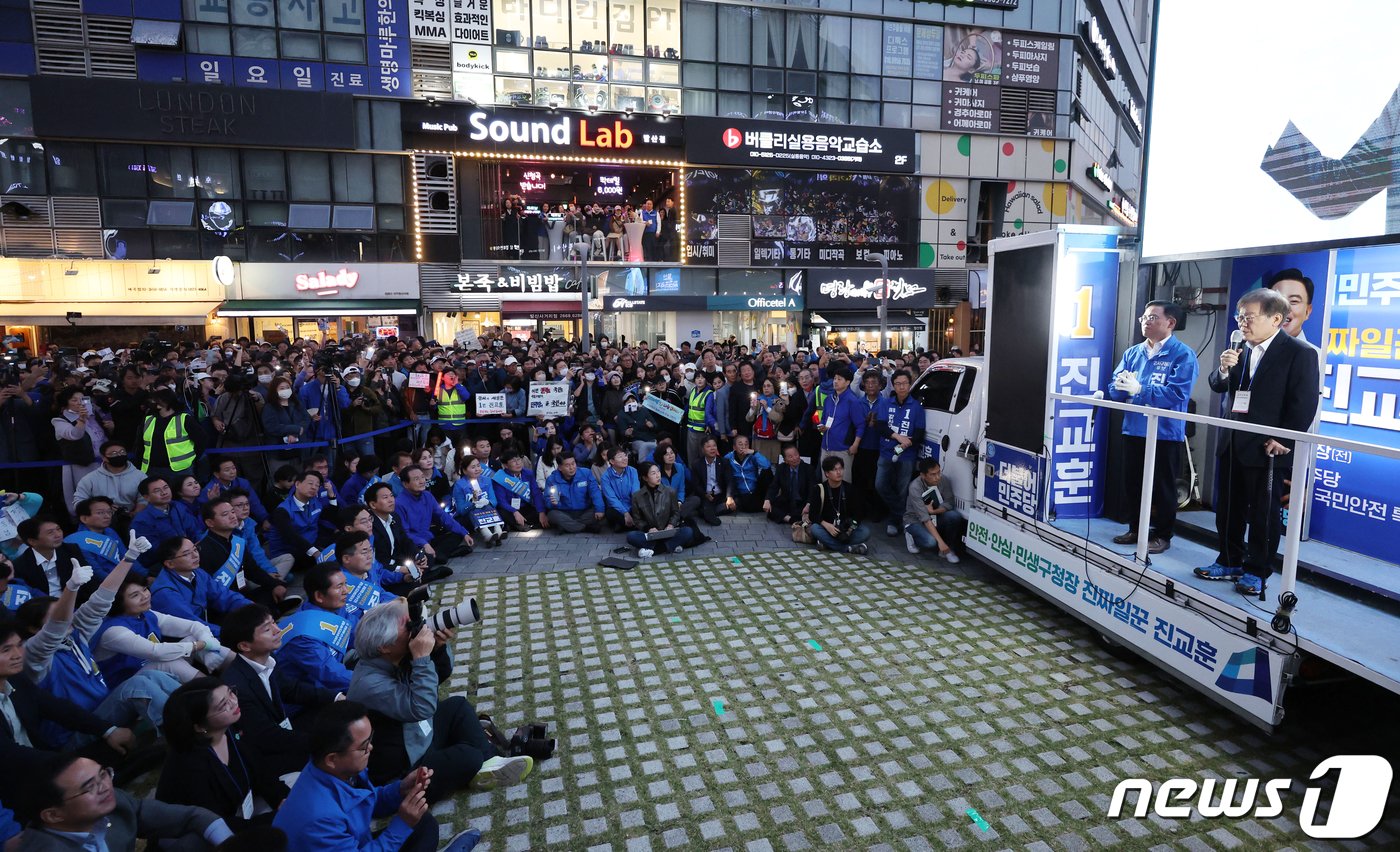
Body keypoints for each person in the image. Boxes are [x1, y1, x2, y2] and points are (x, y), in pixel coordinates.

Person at [1196, 288, 1321, 595]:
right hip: (1233, 441)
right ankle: (1228, 560)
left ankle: (1257, 570)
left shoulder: (1300, 353)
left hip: (1268, 447)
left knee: (1263, 514)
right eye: (1240, 316)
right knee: (1228, 508)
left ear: (1276, 318)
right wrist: (1224, 368)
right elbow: (1218, 386)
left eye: (1249, 316)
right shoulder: (1240, 348)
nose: (1242, 323)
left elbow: (1303, 403)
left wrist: (1284, 438)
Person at [348, 601, 532, 803]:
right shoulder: (369, 684)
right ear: (384, 646)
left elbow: (440, 674)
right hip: (402, 769)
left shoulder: (391, 658)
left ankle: (491, 762)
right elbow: (423, 706)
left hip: (416, 737)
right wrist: (421, 658)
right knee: (469, 756)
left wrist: (437, 648)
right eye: (408, 627)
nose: (417, 631)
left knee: (457, 706)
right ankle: (479, 763)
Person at [17, 538, 176, 747]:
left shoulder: (76, 634)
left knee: (151, 674)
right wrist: (71, 588)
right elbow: (55, 629)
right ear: (33, 629)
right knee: (138, 684)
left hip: (104, 712)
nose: (67, 616)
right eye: (59, 614)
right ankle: (182, 733)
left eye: (67, 609)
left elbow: (101, 600)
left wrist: (128, 558)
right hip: (76, 733)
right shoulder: (33, 655)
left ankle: (198, 711)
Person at [271, 702, 446, 852]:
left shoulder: (331, 769)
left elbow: (365, 801)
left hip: (352, 843)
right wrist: (403, 822)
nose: (370, 748)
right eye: (363, 746)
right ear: (332, 758)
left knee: (424, 825)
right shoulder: (320, 821)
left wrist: (400, 789)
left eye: (370, 740)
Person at [1105, 301, 1198, 554]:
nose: (1146, 321)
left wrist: (1140, 390)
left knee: (1163, 486)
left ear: (1170, 323)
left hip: (1165, 432)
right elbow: (1115, 389)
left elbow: (1177, 394)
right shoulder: (1133, 353)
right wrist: (1121, 387)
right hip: (1134, 428)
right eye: (1144, 317)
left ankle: (1163, 534)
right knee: (1133, 482)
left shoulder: (1183, 354)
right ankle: (1136, 528)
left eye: (1153, 317)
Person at [18, 754, 233, 852]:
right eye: (89, 787)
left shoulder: (114, 803)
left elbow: (191, 816)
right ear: (53, 815)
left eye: (103, 774)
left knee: (201, 838)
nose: (104, 786)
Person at [155, 677, 288, 830]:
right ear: (198, 727)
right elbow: (215, 823)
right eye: (223, 705)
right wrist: (278, 817)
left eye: (231, 693)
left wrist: (283, 799)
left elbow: (261, 772)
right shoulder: (190, 766)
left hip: (243, 813)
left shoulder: (230, 729)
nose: (233, 702)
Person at [0, 622, 136, 764]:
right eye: (6, 650)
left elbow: (56, 708)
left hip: (43, 761)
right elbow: (10, 755)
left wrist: (108, 730)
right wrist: (63, 768)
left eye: (20, 645)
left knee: (116, 746)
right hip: (21, 774)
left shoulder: (16, 680)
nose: (17, 655)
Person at [220, 604, 333, 772]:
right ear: (244, 646)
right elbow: (267, 736)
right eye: (267, 629)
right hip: (264, 758)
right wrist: (323, 742)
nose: (277, 630)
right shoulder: (236, 687)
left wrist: (337, 697)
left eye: (274, 623)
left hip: (282, 732)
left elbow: (293, 690)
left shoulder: (268, 659)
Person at [94, 574, 230, 685]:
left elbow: (194, 626)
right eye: (135, 595)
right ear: (118, 603)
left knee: (195, 638)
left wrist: (208, 644)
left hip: (156, 671)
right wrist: (201, 645)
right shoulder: (113, 631)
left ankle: (246, 668)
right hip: (129, 686)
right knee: (170, 661)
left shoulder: (147, 614)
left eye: (145, 589)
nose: (145, 596)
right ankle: (215, 691)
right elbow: (156, 652)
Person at [274, 563, 355, 702]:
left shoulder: (335, 606)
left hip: (337, 669)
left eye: (345, 584)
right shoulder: (303, 637)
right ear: (319, 596)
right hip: (309, 698)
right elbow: (331, 675)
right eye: (339, 587)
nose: (346, 591)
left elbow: (359, 632)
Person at [197, 497, 290, 609]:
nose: (232, 516)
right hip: (225, 603)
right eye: (225, 514)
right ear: (210, 522)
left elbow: (253, 570)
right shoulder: (203, 550)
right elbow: (209, 592)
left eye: (232, 511)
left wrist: (275, 584)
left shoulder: (236, 541)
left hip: (242, 593)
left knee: (276, 588)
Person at [869, 370, 924, 537]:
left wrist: (909, 442)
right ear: (893, 385)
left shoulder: (916, 407)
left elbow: (920, 433)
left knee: (902, 489)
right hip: (886, 452)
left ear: (910, 385)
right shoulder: (886, 403)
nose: (902, 387)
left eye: (905, 383)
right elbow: (880, 426)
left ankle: (895, 520)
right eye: (898, 384)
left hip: (907, 455)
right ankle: (904, 514)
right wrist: (898, 437)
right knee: (880, 485)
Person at [394, 466, 471, 564]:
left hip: (428, 537)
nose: (422, 481)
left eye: (422, 477)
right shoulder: (399, 503)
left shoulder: (427, 495)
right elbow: (404, 534)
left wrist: (464, 533)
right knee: (424, 559)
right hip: (414, 543)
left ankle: (439, 554)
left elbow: (442, 516)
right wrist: (424, 543)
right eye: (416, 479)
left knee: (458, 532)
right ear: (405, 484)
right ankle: (442, 555)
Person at [266, 471, 334, 576]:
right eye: (310, 483)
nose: (314, 487)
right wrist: (315, 552)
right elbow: (291, 537)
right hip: (289, 552)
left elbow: (332, 517)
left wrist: (331, 495)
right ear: (297, 484)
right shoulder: (282, 510)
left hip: (310, 545)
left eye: (317, 485)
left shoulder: (314, 502)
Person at [51, 387, 106, 513]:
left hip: (102, 462)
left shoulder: (94, 415)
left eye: (82, 399)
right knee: (86, 495)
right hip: (81, 465)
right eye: (74, 400)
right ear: (66, 403)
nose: (79, 402)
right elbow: (74, 435)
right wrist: (81, 420)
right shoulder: (59, 421)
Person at [802, 456, 870, 554]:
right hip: (827, 528)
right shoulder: (819, 489)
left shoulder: (850, 489)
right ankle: (848, 548)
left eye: (840, 469)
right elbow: (813, 515)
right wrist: (826, 525)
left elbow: (859, 514)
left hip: (846, 528)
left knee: (865, 532)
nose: (839, 472)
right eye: (835, 470)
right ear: (827, 474)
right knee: (815, 529)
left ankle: (827, 544)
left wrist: (850, 530)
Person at [130, 476, 205, 565]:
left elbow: (195, 530)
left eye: (166, 488)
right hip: (165, 563)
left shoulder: (178, 507)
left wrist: (199, 545)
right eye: (157, 491)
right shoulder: (141, 521)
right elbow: (153, 550)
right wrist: (185, 552)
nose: (164, 493)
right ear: (146, 497)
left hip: (190, 553)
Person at [626, 462, 694, 557]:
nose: (658, 475)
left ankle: (653, 550)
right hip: (651, 534)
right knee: (631, 536)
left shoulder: (670, 491)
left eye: (658, 472)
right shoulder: (637, 496)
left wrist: (671, 525)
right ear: (645, 478)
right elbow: (637, 519)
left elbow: (676, 512)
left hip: (668, 531)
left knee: (688, 531)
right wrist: (648, 529)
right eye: (653, 473)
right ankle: (670, 546)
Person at [903, 458, 961, 561]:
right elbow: (924, 518)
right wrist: (941, 543)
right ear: (923, 475)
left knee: (954, 516)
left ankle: (948, 549)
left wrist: (934, 511)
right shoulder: (915, 487)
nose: (937, 477)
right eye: (933, 474)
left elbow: (950, 502)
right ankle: (911, 535)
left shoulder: (944, 480)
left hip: (935, 516)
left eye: (939, 472)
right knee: (931, 542)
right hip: (916, 519)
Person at [12, 518, 85, 598]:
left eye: (58, 529)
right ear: (32, 541)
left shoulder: (70, 550)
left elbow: (89, 579)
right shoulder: (20, 566)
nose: (58, 535)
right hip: (43, 606)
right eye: (50, 533)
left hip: (75, 601)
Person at [64, 499, 135, 580]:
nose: (107, 516)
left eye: (109, 512)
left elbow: (127, 557)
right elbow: (97, 573)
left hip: (125, 577)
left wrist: (145, 575)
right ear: (84, 518)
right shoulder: (78, 541)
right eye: (100, 513)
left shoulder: (110, 531)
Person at [136, 388, 199, 475]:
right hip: (151, 469)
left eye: (156, 400)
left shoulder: (185, 419)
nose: (152, 403)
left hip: (181, 470)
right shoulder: (148, 420)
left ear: (165, 402)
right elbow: (140, 445)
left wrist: (192, 459)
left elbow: (201, 440)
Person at [73, 441, 145, 517]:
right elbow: (78, 502)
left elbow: (145, 499)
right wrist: (101, 507)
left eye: (122, 452)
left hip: (132, 518)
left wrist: (135, 514)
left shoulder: (140, 476)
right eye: (114, 453)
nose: (119, 455)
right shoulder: (90, 479)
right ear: (104, 458)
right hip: (99, 519)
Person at [818, 367, 865, 474]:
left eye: (839, 379)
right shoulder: (829, 399)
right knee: (826, 479)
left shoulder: (852, 401)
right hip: (826, 446)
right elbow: (824, 418)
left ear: (848, 382)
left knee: (843, 480)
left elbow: (860, 425)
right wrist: (822, 425)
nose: (835, 381)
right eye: (834, 378)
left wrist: (855, 445)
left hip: (843, 449)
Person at [450, 457, 505, 548]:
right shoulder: (459, 485)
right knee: (474, 509)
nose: (477, 469)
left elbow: (494, 501)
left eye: (478, 466)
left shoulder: (487, 480)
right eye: (473, 467)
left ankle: (498, 531)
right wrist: (472, 503)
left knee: (489, 506)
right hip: (468, 515)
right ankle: (486, 534)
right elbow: (460, 510)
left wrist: (487, 501)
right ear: (465, 470)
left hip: (487, 510)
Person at [543, 455, 604, 534]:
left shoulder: (586, 473)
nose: (571, 467)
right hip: (564, 512)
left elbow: (595, 492)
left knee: (600, 509)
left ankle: (567, 527)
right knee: (552, 515)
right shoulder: (552, 479)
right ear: (560, 467)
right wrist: (553, 503)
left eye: (573, 463)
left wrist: (600, 509)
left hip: (585, 511)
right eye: (567, 465)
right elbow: (547, 500)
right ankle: (586, 528)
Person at [201, 458, 269, 525]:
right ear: (216, 474)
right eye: (227, 470)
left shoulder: (242, 483)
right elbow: (204, 513)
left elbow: (254, 503)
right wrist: (214, 500)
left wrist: (265, 519)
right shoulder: (209, 490)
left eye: (233, 468)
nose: (232, 472)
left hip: (243, 520)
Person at [490, 451, 547, 532]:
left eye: (519, 460)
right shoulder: (500, 478)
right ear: (506, 465)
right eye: (513, 461)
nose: (518, 463)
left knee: (545, 511)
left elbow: (536, 493)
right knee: (501, 514)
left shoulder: (528, 473)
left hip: (524, 506)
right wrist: (514, 511)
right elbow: (501, 501)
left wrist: (541, 511)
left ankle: (517, 525)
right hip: (509, 509)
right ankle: (521, 524)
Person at [763, 445, 815, 524]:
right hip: (787, 500)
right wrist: (767, 500)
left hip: (802, 502)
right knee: (771, 507)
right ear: (785, 460)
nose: (795, 458)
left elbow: (812, 489)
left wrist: (808, 504)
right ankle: (790, 519)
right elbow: (774, 486)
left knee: (813, 512)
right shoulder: (781, 468)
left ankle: (791, 518)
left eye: (796, 454)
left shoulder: (808, 469)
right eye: (790, 456)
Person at [1266, 268, 1317, 346]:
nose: (1283, 308)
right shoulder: (1249, 349)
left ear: (1307, 311)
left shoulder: (1318, 356)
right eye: (1277, 300)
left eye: (1293, 301)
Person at [686, 438, 731, 526]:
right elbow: (696, 484)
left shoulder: (724, 461)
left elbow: (729, 480)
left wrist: (729, 497)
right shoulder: (697, 464)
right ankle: (708, 511)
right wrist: (705, 494)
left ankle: (706, 511)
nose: (712, 448)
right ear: (703, 449)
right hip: (706, 495)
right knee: (708, 510)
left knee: (737, 501)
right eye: (709, 446)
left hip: (720, 494)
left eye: (714, 446)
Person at [724, 435, 772, 513]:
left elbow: (767, 465)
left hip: (756, 489)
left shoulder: (752, 456)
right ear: (734, 447)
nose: (744, 446)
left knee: (767, 472)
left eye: (746, 444)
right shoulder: (729, 458)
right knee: (748, 507)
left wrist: (754, 452)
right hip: (740, 492)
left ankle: (768, 501)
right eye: (740, 444)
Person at [599, 447, 640, 532]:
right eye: (620, 456)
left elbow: (636, 493)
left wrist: (634, 509)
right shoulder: (605, 477)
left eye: (625, 455)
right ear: (612, 461)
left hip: (631, 505)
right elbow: (612, 499)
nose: (625, 458)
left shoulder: (633, 471)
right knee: (611, 513)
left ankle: (624, 525)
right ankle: (630, 524)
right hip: (616, 508)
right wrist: (625, 513)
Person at [683, 374, 718, 464]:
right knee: (691, 456)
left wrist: (707, 424)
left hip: (703, 429)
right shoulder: (693, 390)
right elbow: (689, 406)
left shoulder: (709, 393)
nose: (700, 380)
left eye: (702, 377)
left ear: (706, 380)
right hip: (691, 427)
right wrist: (682, 414)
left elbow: (708, 410)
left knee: (703, 455)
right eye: (698, 378)